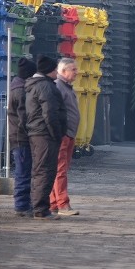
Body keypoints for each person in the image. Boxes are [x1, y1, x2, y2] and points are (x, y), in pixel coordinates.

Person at [25, 55, 67, 220]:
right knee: (45, 171)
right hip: (45, 134)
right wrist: (56, 134)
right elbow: (49, 112)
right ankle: (41, 209)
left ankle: (38, 207)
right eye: (55, 69)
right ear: (49, 71)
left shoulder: (36, 85)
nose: (57, 71)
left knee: (39, 170)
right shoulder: (45, 87)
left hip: (37, 133)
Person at [50, 58, 80, 216]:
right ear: (63, 71)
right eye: (73, 70)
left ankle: (53, 203)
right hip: (63, 135)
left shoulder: (67, 87)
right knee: (60, 170)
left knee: (61, 169)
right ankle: (62, 204)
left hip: (69, 135)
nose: (77, 72)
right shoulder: (59, 87)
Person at [9, 57, 36, 217]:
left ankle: (23, 204)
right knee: (23, 173)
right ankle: (21, 206)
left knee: (23, 172)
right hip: (21, 139)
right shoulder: (21, 91)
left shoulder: (16, 87)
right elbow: (23, 118)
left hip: (18, 137)